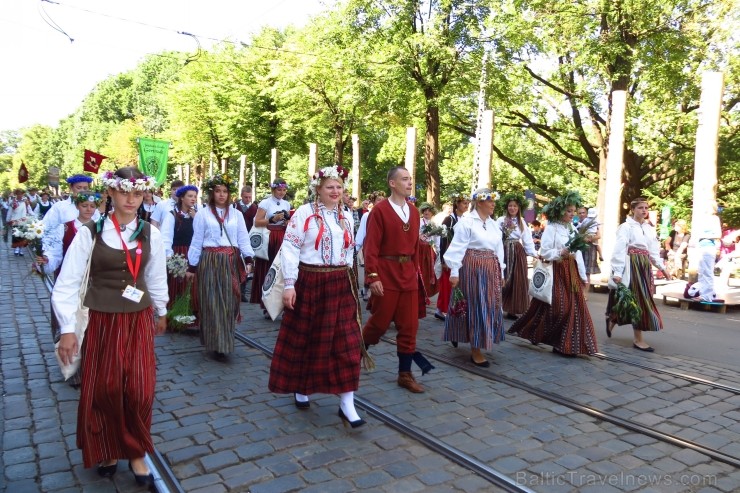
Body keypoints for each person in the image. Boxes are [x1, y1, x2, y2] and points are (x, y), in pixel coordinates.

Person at [51, 167, 167, 486]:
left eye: (138, 193)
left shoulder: (150, 232)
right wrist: (68, 329)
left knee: (140, 390)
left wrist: (163, 309)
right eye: (124, 192)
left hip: (138, 319)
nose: (131, 199)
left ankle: (136, 450)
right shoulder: (91, 232)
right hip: (102, 320)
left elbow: (156, 276)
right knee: (106, 389)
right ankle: (107, 447)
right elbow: (67, 283)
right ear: (111, 194)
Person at [268, 165, 367, 426]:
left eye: (339, 187)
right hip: (310, 282)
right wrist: (290, 284)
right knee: (307, 340)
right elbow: (289, 248)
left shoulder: (346, 215)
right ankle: (301, 386)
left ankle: (347, 402)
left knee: (347, 343)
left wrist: (351, 281)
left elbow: (349, 251)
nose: (335, 191)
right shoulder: (304, 213)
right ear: (318, 190)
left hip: (339, 284)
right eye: (330, 187)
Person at [362, 167, 431, 393]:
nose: (409, 182)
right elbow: (370, 246)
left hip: (408, 274)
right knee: (380, 323)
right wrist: (373, 276)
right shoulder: (379, 211)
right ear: (392, 183)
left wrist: (418, 270)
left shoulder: (413, 211)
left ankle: (405, 373)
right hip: (386, 272)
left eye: (410, 178)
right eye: (404, 179)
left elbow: (412, 247)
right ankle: (360, 348)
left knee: (410, 326)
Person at [508, 191, 598, 357]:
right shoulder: (552, 228)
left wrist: (583, 276)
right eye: (569, 211)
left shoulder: (572, 229)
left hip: (571, 271)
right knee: (557, 308)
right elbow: (545, 252)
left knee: (573, 309)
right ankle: (535, 331)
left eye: (574, 211)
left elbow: (577, 254)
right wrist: (560, 252)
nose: (573, 214)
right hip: (556, 271)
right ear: (560, 211)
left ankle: (565, 345)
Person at [187, 174, 253, 362]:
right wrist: (192, 267)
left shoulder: (237, 214)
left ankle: (224, 338)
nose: (221, 195)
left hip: (230, 261)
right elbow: (197, 240)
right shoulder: (203, 214)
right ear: (212, 193)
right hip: (210, 260)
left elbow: (243, 238)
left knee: (230, 301)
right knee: (212, 302)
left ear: (229, 194)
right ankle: (217, 344)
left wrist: (248, 259)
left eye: (225, 191)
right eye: (217, 191)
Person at [443, 189, 505, 367]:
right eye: (489, 201)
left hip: (490, 268)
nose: (493, 204)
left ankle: (460, 334)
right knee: (475, 305)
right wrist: (454, 272)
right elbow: (457, 247)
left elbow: (498, 249)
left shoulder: (493, 224)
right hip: (472, 268)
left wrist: (501, 271)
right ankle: (476, 348)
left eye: (494, 201)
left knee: (489, 304)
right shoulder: (467, 222)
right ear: (479, 203)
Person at [607, 197, 672, 351]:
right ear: (633, 210)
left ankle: (613, 319)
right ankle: (638, 339)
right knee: (639, 300)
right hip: (631, 265)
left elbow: (653, 251)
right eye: (640, 208)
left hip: (644, 265)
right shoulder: (626, 227)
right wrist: (617, 271)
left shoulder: (649, 228)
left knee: (630, 298)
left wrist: (662, 268)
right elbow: (619, 249)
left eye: (646, 208)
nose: (644, 210)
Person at [250, 178, 291, 318]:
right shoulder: (265, 203)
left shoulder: (286, 203)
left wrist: (286, 221)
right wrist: (272, 219)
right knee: (269, 270)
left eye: (284, 190)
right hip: (269, 237)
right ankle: (268, 305)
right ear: (273, 190)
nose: (282, 192)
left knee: (282, 270)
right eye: (279, 190)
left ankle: (283, 304)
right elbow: (257, 221)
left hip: (282, 236)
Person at [162, 185, 199, 326]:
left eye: (195, 196)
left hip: (194, 254)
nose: (193, 199)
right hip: (179, 255)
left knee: (194, 287)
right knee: (179, 286)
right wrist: (170, 257)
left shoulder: (198, 215)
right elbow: (166, 238)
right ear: (182, 198)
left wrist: (196, 218)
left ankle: (193, 317)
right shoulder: (172, 216)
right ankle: (176, 316)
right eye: (190, 196)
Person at [497, 193, 537, 319]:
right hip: (503, 249)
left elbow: (527, 240)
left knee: (516, 279)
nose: (512, 208)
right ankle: (497, 305)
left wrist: (534, 254)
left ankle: (512, 309)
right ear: (506, 207)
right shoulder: (500, 220)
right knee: (502, 277)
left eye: (515, 206)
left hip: (517, 252)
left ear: (519, 208)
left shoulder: (522, 222)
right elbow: (495, 237)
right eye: (510, 206)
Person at [42, 174, 99, 255]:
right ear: (71, 187)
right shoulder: (59, 207)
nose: (82, 190)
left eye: (85, 188)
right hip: (64, 251)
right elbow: (48, 228)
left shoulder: (93, 209)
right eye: (78, 188)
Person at [436, 193, 470, 321]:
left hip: (461, 254)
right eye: (464, 203)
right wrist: (444, 260)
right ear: (457, 204)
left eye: (467, 203)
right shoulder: (449, 219)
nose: (466, 205)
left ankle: (453, 307)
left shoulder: (466, 219)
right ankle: (441, 309)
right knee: (447, 283)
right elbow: (443, 240)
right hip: (451, 253)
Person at [686, 203, 722, 303]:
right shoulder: (703, 219)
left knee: (707, 272)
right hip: (701, 246)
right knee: (701, 272)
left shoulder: (714, 219)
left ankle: (707, 296)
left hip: (709, 247)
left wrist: (704, 236)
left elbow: (718, 234)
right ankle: (703, 293)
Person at [576, 206, 602, 295]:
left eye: (583, 213)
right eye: (580, 213)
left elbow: (599, 236)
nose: (582, 214)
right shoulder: (575, 224)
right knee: (578, 270)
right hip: (579, 248)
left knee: (587, 272)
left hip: (590, 248)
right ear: (577, 214)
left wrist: (589, 239)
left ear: (587, 214)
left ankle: (585, 294)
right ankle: (578, 293)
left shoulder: (593, 222)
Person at [418, 202, 439, 299]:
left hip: (429, 250)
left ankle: (426, 292)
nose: (427, 212)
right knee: (420, 271)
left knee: (429, 272)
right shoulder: (419, 221)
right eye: (425, 210)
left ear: (432, 212)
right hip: (419, 249)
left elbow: (436, 239)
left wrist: (438, 251)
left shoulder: (434, 224)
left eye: (429, 210)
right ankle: (419, 292)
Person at [7, 188, 34, 256]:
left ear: (23, 194)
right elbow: (10, 211)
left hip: (23, 220)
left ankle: (21, 249)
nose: (20, 195)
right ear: (16, 194)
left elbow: (29, 209)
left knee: (22, 235)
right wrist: (8, 219)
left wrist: (34, 216)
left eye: (21, 194)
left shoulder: (25, 201)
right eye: (18, 194)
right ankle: (16, 248)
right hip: (14, 220)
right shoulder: (13, 202)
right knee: (15, 234)